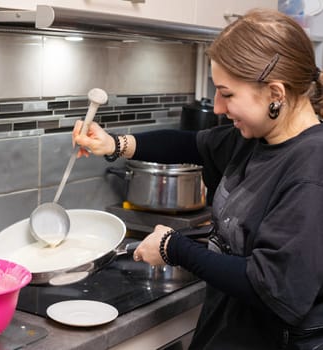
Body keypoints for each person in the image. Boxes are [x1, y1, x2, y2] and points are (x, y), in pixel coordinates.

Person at [72, 8, 323, 350]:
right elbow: (191, 144)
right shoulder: (255, 139)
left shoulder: (311, 169)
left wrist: (174, 248)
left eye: (227, 93)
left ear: (276, 94)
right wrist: (113, 144)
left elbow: (273, 287)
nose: (218, 107)